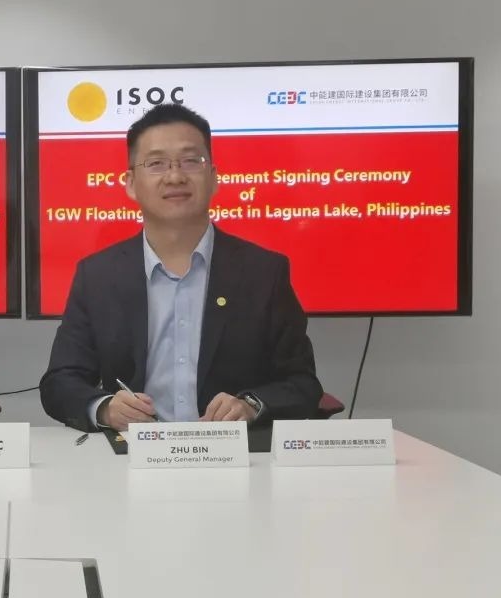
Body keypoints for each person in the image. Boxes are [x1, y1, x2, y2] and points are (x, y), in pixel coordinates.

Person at [40, 104, 322, 432]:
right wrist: (104, 409)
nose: (175, 177)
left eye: (190, 161)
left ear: (213, 178)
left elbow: (302, 384)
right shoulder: (98, 276)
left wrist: (251, 405)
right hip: (133, 453)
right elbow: (60, 382)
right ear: (131, 183)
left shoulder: (263, 272)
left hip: (233, 454)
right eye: (156, 164)